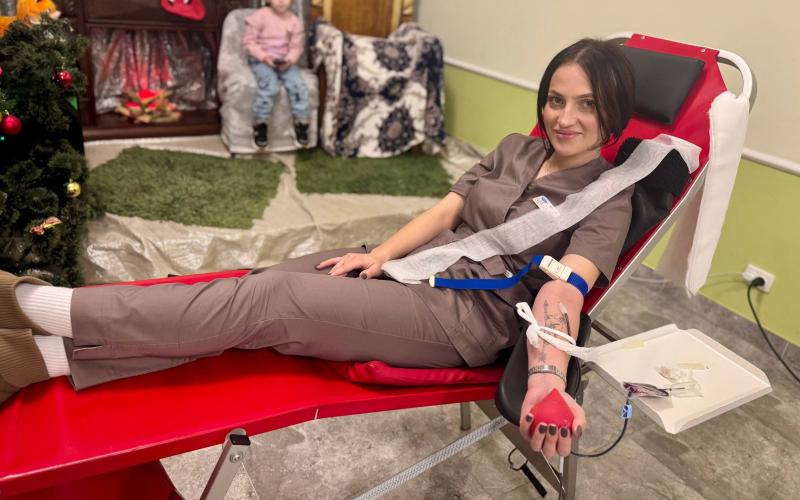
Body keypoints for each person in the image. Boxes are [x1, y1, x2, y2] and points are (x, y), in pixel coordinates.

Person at [0, 38, 635, 459]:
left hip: (465, 318)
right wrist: (381, 255)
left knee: (272, 301)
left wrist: (547, 378)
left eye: (587, 105)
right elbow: (449, 210)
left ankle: (44, 307)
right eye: (556, 99)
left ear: (615, 114)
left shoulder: (607, 198)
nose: (564, 117)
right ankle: (46, 359)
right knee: (257, 284)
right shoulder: (516, 148)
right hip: (412, 270)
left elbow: (565, 289)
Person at [243, 0, 310, 148]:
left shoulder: (294, 22)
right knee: (270, 85)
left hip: (285, 61)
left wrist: (289, 60)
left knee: (297, 85)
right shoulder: (259, 16)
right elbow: (249, 43)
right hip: (262, 60)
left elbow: (296, 47)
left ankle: (301, 122)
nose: (281, 1)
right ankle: (260, 124)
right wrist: (265, 57)